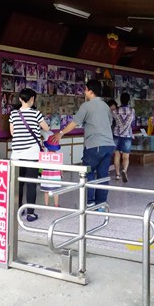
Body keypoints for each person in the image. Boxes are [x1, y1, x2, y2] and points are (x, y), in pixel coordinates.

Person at [49, 79, 115, 209]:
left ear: (91, 91)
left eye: (85, 89)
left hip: (94, 145)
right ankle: (101, 204)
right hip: (109, 145)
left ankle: (90, 202)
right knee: (103, 175)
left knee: (88, 173)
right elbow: (110, 122)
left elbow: (75, 123)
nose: (84, 92)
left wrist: (60, 133)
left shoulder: (86, 106)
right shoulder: (106, 106)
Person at [9, 88, 50, 222]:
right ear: (32, 99)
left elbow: (12, 133)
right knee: (31, 184)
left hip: (17, 154)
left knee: (19, 183)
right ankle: (31, 213)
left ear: (20, 99)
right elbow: (46, 128)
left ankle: (18, 209)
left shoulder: (14, 114)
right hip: (32, 153)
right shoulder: (36, 113)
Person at [112, 91, 135, 183]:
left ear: (120, 100)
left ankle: (117, 174)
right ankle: (124, 170)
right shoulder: (132, 111)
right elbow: (133, 122)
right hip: (127, 135)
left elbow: (113, 121)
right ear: (128, 100)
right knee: (126, 156)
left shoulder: (115, 111)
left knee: (117, 155)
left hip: (116, 134)